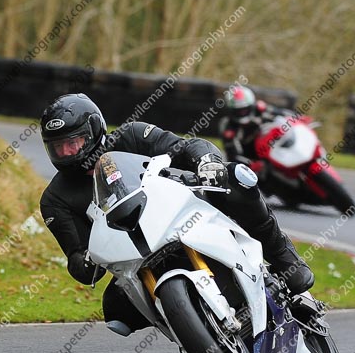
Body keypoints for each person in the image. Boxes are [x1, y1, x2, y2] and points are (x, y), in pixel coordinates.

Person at [39, 93, 314, 336]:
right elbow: (76, 257)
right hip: (137, 254)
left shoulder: (132, 136)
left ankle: (284, 257)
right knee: (116, 311)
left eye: (74, 142)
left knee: (237, 178)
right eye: (58, 146)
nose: (67, 152)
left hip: (182, 211)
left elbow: (185, 147)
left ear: (94, 130)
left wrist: (207, 162)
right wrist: (87, 260)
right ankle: (194, 330)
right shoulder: (55, 200)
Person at [219, 85, 294, 174]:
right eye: (238, 110)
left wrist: (297, 118)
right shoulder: (229, 129)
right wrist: (251, 164)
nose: (242, 113)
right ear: (231, 110)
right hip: (252, 157)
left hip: (274, 145)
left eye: (245, 109)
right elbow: (233, 156)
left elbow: (282, 113)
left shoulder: (260, 108)